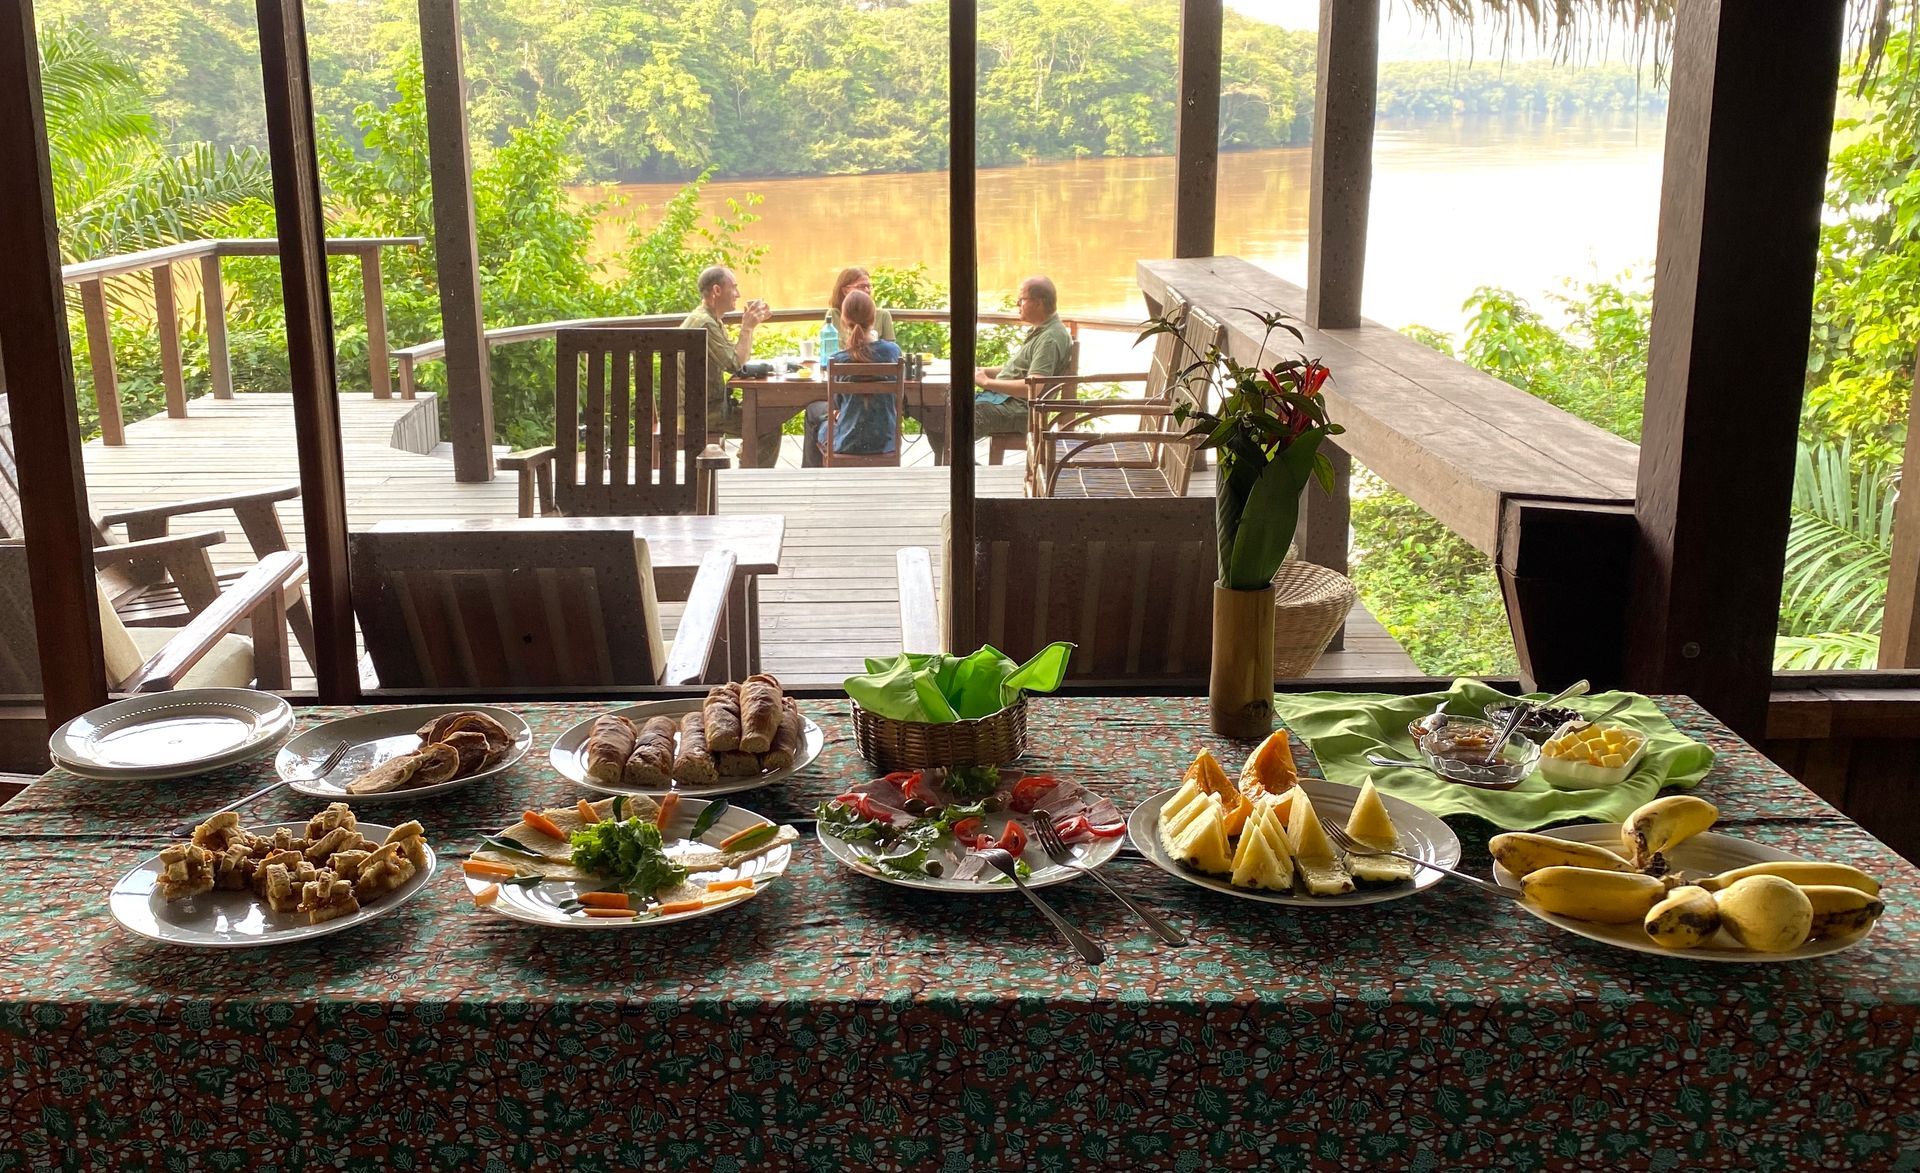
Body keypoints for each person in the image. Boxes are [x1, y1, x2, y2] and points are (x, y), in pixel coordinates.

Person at [916, 275, 1073, 462]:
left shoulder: (1050, 338)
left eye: (1022, 299)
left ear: (1038, 303)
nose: (1017, 303)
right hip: (1005, 401)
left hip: (1021, 410)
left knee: (959, 416)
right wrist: (983, 370)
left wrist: (987, 382)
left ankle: (958, 470)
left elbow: (1033, 387)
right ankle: (956, 465)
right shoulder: (1043, 330)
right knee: (937, 410)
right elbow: (1018, 369)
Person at [681, 265, 783, 468]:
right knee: (768, 425)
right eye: (734, 287)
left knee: (762, 415)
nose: (738, 294)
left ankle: (747, 463)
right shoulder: (705, 324)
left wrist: (749, 328)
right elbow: (735, 364)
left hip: (704, 406)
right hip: (701, 412)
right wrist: (747, 327)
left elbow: (737, 361)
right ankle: (751, 481)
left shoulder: (709, 319)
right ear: (717, 290)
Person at [803, 290, 903, 466]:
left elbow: (837, 405)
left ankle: (812, 476)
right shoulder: (893, 352)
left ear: (843, 321)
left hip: (846, 442)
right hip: (885, 441)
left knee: (814, 410)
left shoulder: (839, 360)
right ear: (873, 319)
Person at [826, 267, 896, 343]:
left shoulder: (883, 315)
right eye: (861, 286)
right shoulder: (833, 315)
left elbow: (892, 351)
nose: (867, 290)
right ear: (845, 291)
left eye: (869, 286)